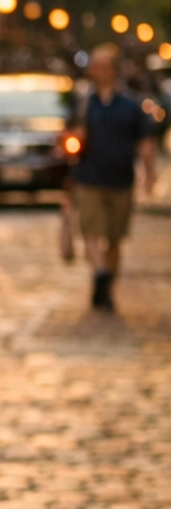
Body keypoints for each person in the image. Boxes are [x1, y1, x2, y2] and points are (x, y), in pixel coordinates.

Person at [71, 44, 159, 311]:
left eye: (103, 65)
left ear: (114, 70)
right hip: (89, 178)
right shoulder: (84, 103)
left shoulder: (130, 106)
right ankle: (99, 272)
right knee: (89, 231)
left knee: (114, 238)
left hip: (121, 180)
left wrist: (149, 175)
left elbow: (145, 142)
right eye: (94, 65)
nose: (97, 70)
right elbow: (69, 138)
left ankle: (106, 288)